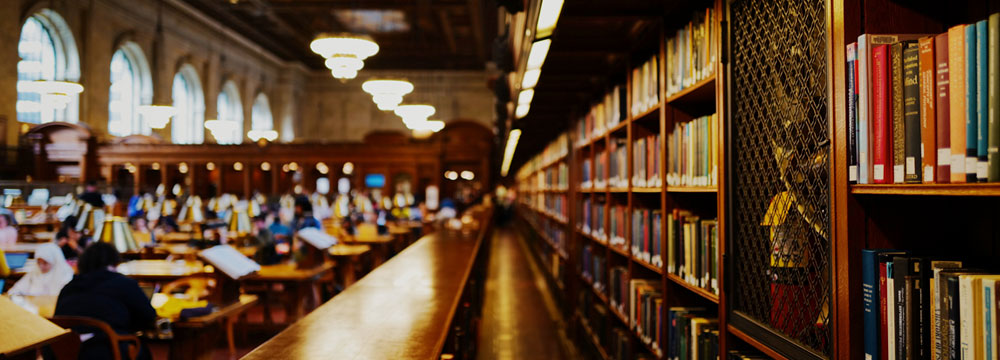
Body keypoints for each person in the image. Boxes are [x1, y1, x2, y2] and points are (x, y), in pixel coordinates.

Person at [55, 242, 156, 360]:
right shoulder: (123, 283)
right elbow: (148, 317)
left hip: (65, 352)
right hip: (108, 351)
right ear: (113, 262)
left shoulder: (68, 288)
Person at [8, 243, 73, 296]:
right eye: (38, 262)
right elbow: (16, 290)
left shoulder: (65, 275)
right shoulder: (35, 272)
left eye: (45, 263)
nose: (41, 266)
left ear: (54, 261)